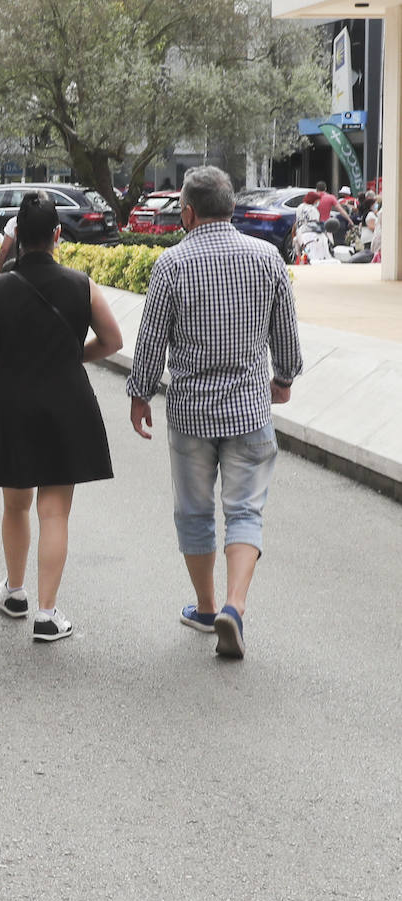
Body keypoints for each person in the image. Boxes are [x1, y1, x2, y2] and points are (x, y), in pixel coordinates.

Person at [127, 166, 302, 660]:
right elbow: (286, 334)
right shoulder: (266, 258)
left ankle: (206, 608)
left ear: (187, 211)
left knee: (195, 511)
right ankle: (235, 606)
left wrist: (139, 394)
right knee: (245, 510)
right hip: (250, 408)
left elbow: (151, 339)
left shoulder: (172, 264)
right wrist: (284, 379)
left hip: (191, 414)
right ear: (231, 208)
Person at [0, 192, 124, 642]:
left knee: (15, 505)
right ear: (57, 235)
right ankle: (47, 613)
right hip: (66, 402)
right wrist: (76, 355)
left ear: (17, 235)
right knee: (54, 511)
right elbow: (113, 340)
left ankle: (14, 592)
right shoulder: (82, 284)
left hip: (12, 402)